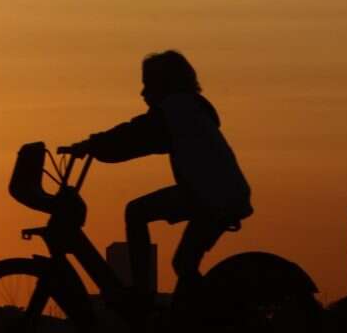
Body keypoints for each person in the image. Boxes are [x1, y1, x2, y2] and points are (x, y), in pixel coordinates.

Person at [62, 50, 252, 301]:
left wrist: (92, 145)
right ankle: (191, 316)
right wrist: (99, 147)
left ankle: (142, 292)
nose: (143, 93)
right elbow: (139, 139)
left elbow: (136, 135)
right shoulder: (191, 110)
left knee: (136, 212)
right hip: (221, 194)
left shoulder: (177, 109)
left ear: (165, 83)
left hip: (208, 196)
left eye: (147, 84)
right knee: (184, 264)